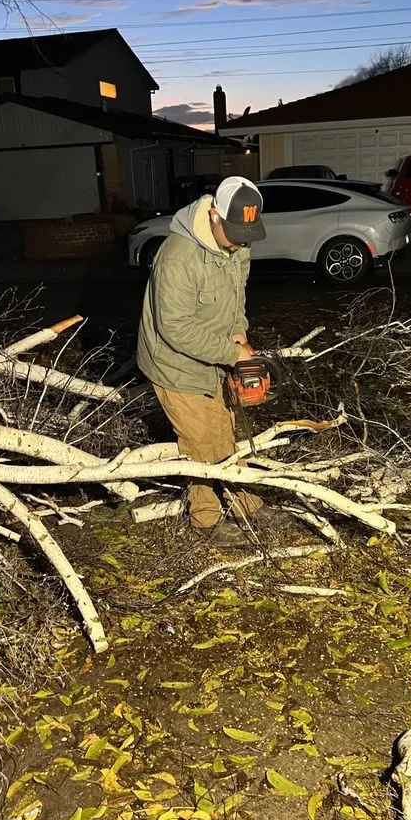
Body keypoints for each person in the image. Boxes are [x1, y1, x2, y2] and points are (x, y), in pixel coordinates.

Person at [137, 176, 280, 547]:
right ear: (213, 213)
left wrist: (239, 332)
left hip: (213, 353)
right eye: (233, 231)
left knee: (223, 427)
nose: (240, 241)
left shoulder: (239, 244)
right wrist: (232, 353)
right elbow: (175, 329)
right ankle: (206, 521)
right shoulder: (178, 257)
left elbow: (236, 298)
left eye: (246, 233)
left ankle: (243, 502)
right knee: (200, 440)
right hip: (174, 362)